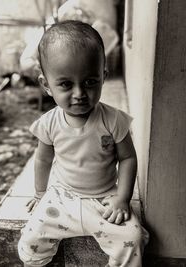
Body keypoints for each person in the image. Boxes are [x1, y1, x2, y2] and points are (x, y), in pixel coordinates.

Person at [18, 20, 149, 267]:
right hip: (62, 196)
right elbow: (43, 159)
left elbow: (128, 158)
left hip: (105, 199)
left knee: (132, 238)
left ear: (103, 77)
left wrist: (123, 198)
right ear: (47, 85)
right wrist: (40, 193)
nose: (79, 93)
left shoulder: (114, 120)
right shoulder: (49, 123)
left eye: (90, 81)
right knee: (31, 236)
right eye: (66, 84)